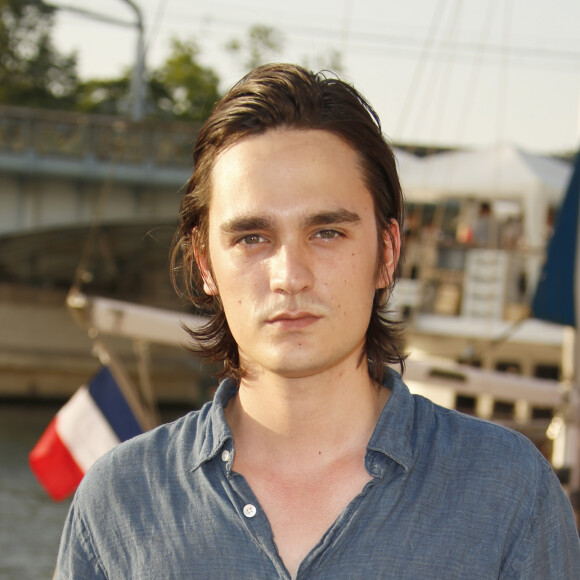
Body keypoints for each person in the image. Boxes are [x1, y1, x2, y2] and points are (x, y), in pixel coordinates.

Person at [55, 64, 580, 579]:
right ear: (204, 262)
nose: (290, 276)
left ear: (387, 251)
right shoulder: (119, 507)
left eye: (326, 232)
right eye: (251, 238)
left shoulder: (508, 492)